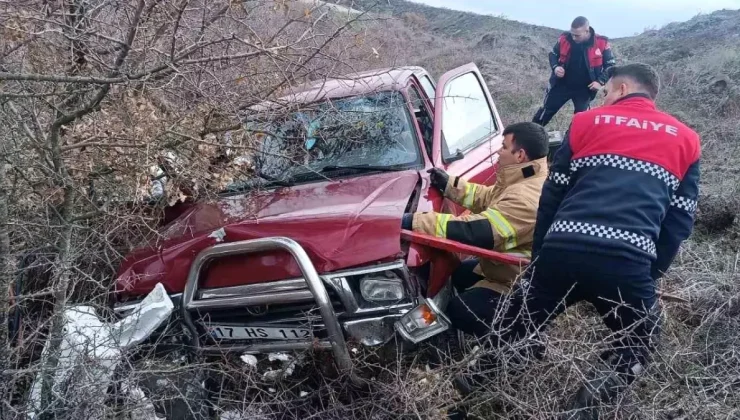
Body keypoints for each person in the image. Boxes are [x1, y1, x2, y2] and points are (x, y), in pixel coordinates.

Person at [465, 63, 700, 419]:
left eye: (605, 92)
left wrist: (541, 257)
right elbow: (680, 219)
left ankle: (474, 391)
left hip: (563, 250)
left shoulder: (585, 123)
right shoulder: (687, 140)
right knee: (638, 341)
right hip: (628, 262)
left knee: (516, 324)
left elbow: (552, 196)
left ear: (620, 90)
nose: (602, 98)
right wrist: (650, 272)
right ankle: (582, 411)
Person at [400, 122, 550, 337]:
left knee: (462, 310)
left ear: (520, 155)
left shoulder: (527, 197)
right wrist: (449, 184)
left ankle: (512, 346)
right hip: (507, 271)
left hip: (520, 284)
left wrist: (414, 221)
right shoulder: (525, 177)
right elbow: (487, 198)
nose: (498, 151)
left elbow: (478, 231)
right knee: (460, 273)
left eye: (504, 147)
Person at [532, 16, 616, 127]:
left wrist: (600, 82)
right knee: (545, 112)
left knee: (579, 120)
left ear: (587, 31)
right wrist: (556, 67)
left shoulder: (601, 42)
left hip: (585, 89)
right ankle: (529, 136)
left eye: (577, 35)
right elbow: (553, 54)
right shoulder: (564, 38)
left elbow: (610, 65)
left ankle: (570, 141)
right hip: (560, 85)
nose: (574, 37)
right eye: (572, 34)